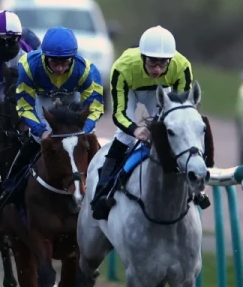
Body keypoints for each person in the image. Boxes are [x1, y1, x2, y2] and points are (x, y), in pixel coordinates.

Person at [89, 25, 207, 220]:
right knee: (125, 137)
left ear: (171, 60)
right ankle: (103, 191)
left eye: (163, 63)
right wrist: (135, 130)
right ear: (143, 57)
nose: (158, 69)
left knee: (182, 132)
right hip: (132, 90)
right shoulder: (122, 68)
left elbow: (182, 113)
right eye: (152, 63)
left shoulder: (182, 66)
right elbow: (118, 113)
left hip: (162, 92)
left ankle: (197, 187)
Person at [1, 26, 104, 204]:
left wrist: (84, 129)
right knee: (35, 140)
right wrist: (40, 131)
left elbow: (94, 107)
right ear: (43, 57)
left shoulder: (86, 70)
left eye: (65, 63)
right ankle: (11, 187)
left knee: (86, 140)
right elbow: (25, 106)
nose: (59, 68)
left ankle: (103, 184)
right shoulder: (28, 66)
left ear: (73, 59)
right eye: (54, 62)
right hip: (43, 100)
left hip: (72, 98)